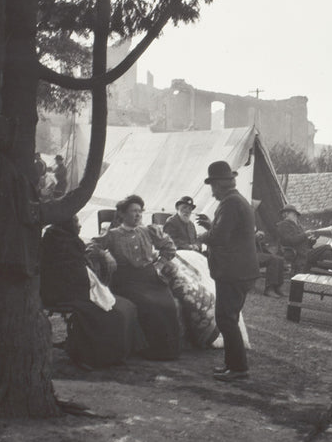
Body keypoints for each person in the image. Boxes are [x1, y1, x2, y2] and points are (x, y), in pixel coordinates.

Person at [39, 215, 145, 367]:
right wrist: (91, 289)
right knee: (114, 314)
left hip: (77, 288)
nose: (80, 225)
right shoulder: (57, 242)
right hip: (63, 293)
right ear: (65, 223)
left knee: (127, 306)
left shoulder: (67, 239)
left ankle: (119, 352)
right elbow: (63, 275)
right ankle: (98, 355)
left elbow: (78, 270)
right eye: (76, 222)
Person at [99, 194, 182, 360]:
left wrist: (159, 264)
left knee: (168, 303)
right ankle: (152, 349)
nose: (138, 215)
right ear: (122, 214)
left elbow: (169, 247)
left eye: (140, 211)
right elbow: (92, 246)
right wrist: (105, 254)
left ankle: (170, 349)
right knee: (149, 304)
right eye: (133, 211)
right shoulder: (112, 234)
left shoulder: (147, 231)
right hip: (127, 281)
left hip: (150, 278)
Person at [197, 160, 258, 381]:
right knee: (228, 317)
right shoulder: (237, 200)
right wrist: (210, 226)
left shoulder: (230, 203)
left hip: (233, 272)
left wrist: (200, 237)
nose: (212, 192)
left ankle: (238, 368)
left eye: (212, 187)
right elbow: (230, 231)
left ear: (220, 184)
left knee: (225, 319)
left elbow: (220, 237)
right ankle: (232, 365)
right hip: (241, 270)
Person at [275, 204, 332, 275]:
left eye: (296, 215)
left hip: (306, 252)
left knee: (327, 253)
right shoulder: (283, 225)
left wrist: (313, 239)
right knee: (327, 247)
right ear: (286, 214)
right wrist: (305, 234)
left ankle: (324, 275)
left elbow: (305, 242)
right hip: (299, 254)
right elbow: (291, 240)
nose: (296, 217)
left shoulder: (298, 226)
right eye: (294, 214)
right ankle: (327, 273)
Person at [255, 230, 285, 298]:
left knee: (280, 259)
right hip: (247, 254)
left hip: (257, 252)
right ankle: (269, 288)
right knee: (273, 259)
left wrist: (259, 238)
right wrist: (255, 237)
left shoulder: (252, 226)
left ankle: (277, 287)